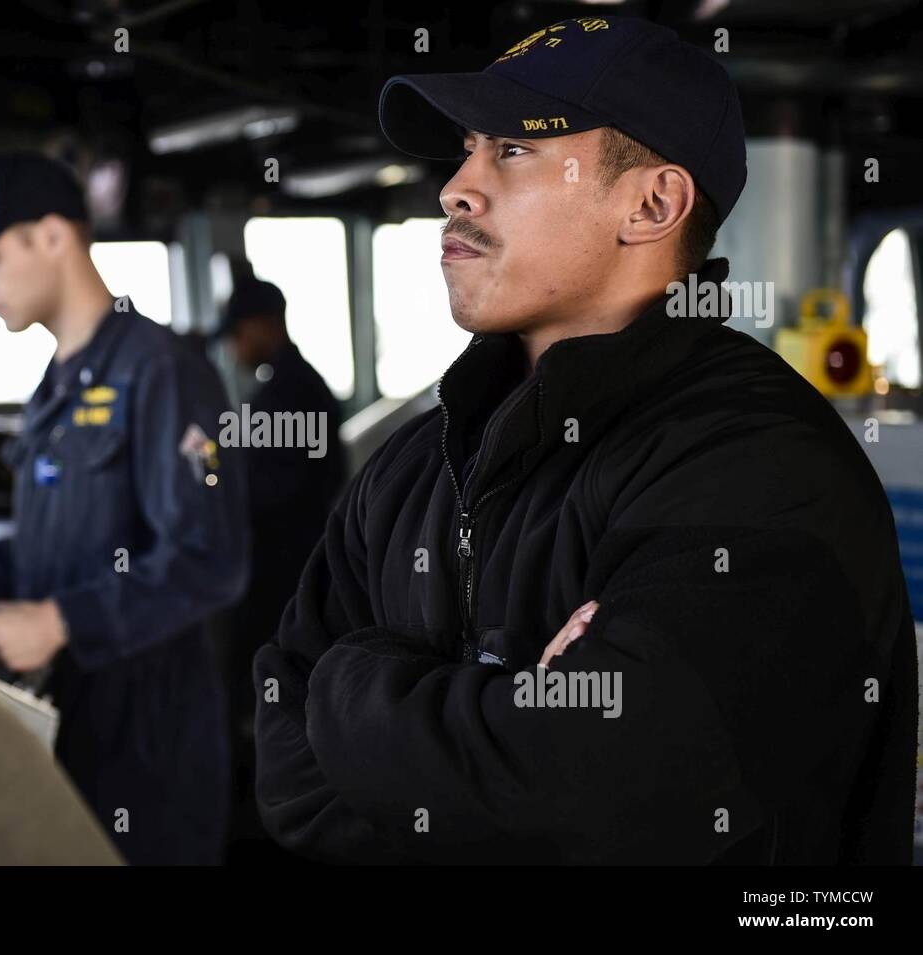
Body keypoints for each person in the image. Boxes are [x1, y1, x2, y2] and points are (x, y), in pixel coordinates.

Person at [252, 16, 918, 864]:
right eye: (465, 149)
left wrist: (348, 685)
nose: (456, 187)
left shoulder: (760, 465)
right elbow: (285, 768)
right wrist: (501, 723)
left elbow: (599, 798)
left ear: (652, 204)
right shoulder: (411, 465)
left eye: (513, 151)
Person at [0, 152, 250, 865]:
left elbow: (209, 560)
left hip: (147, 738)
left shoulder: (162, 369)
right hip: (67, 715)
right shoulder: (58, 382)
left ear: (54, 237)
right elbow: (42, 551)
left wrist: (60, 620)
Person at [209, 277, 344, 855]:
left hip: (281, 572)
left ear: (265, 323)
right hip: (281, 565)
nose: (236, 348)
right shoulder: (286, 387)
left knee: (268, 688)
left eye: (239, 334)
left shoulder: (293, 392)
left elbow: (273, 491)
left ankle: (261, 824)